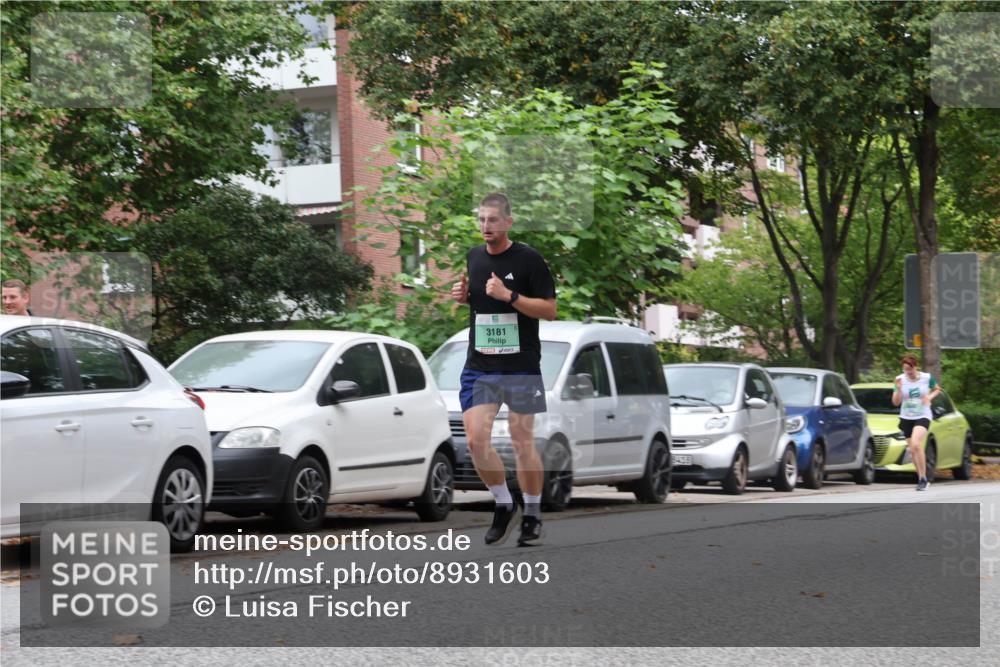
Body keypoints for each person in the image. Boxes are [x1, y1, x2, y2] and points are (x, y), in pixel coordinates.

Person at [451, 193, 557, 546]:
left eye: (492, 220)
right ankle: (503, 503)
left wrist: (509, 296)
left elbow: (549, 310)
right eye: (481, 220)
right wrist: (464, 296)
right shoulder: (474, 257)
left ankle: (532, 513)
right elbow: (480, 302)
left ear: (508, 222)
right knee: (476, 441)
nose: (486, 227)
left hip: (520, 365)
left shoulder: (529, 260)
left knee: (521, 441)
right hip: (480, 364)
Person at [891, 353, 941, 491]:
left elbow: (937, 389)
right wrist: (899, 389)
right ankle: (920, 478)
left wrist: (929, 397)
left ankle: (924, 478)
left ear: (915, 367)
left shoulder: (926, 377)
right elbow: (895, 402)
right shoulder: (899, 379)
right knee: (912, 449)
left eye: (910, 370)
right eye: (905, 370)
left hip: (923, 415)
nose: (908, 373)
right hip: (906, 416)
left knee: (916, 443)